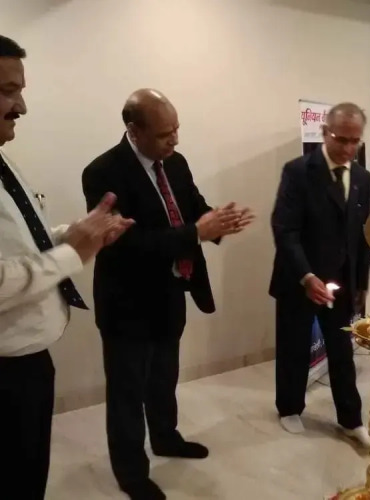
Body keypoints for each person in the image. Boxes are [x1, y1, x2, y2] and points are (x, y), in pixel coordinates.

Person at [82, 89, 254, 500]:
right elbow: (126, 244)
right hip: (127, 302)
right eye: (164, 134)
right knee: (127, 392)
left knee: (163, 378)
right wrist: (196, 233)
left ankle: (165, 437)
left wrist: (217, 220)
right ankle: (131, 473)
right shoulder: (102, 172)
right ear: (134, 130)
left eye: (177, 129)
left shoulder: (175, 162)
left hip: (170, 293)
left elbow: (193, 206)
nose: (175, 139)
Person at [0, 35, 133, 499]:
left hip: (29, 364)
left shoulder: (4, 160)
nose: (22, 107)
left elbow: (20, 243)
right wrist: (73, 253)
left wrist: (72, 233)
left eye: (20, 91)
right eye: (8, 91)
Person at [270, 102, 370, 447]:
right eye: (341, 139)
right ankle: (289, 408)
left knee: (342, 351)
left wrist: (361, 283)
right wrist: (306, 276)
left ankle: (351, 419)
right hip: (299, 280)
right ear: (325, 132)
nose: (348, 148)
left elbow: (364, 233)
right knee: (294, 347)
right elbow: (285, 229)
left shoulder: (362, 178)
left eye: (355, 141)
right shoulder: (298, 171)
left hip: (341, 283)